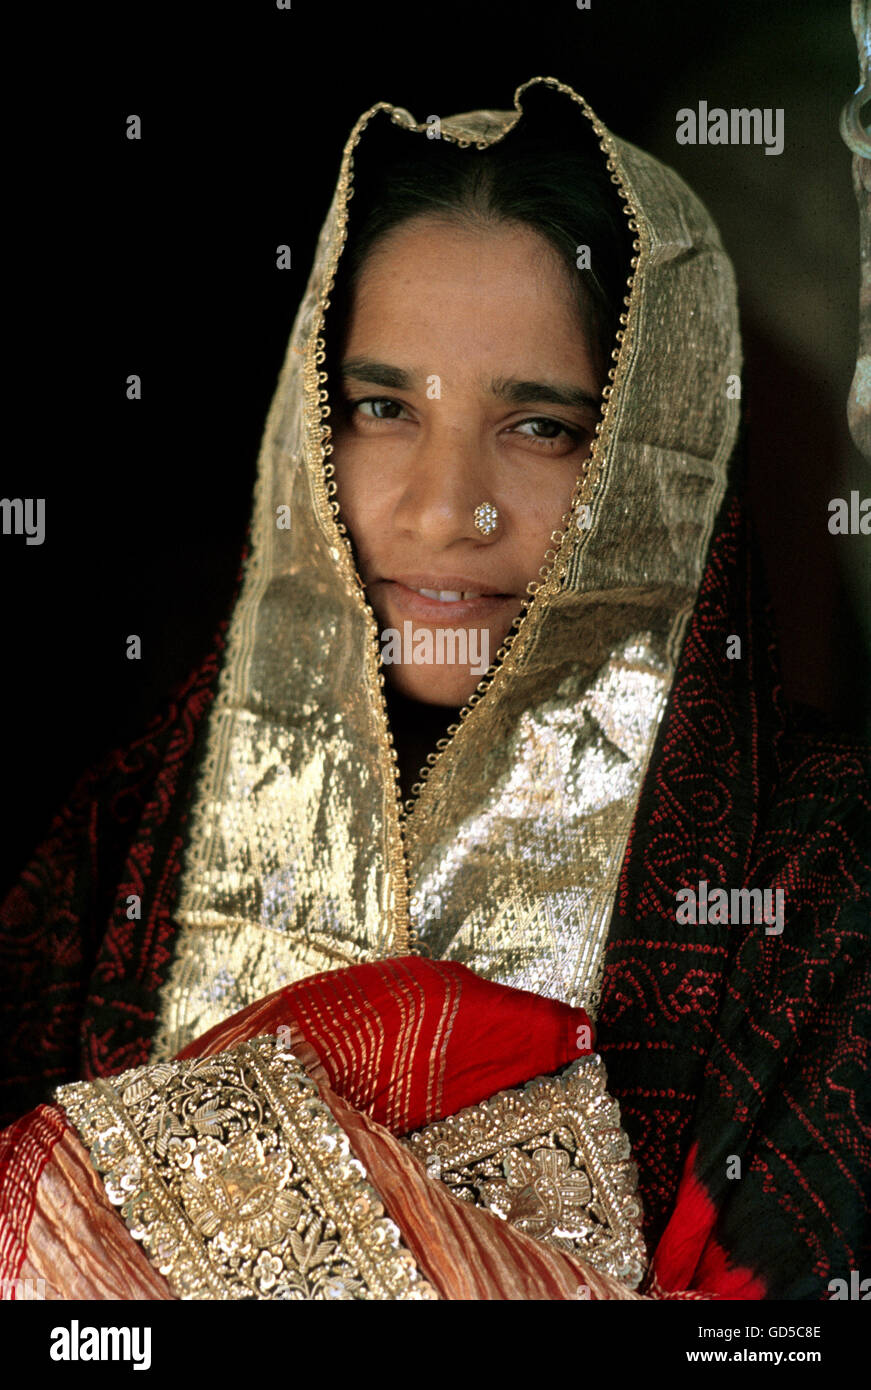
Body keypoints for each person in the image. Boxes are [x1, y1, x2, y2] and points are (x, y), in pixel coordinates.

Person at [0, 75, 868, 1301]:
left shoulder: (817, 879)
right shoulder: (129, 841)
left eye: (542, 428)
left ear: (657, 457)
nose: (442, 508)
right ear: (308, 430)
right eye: (382, 407)